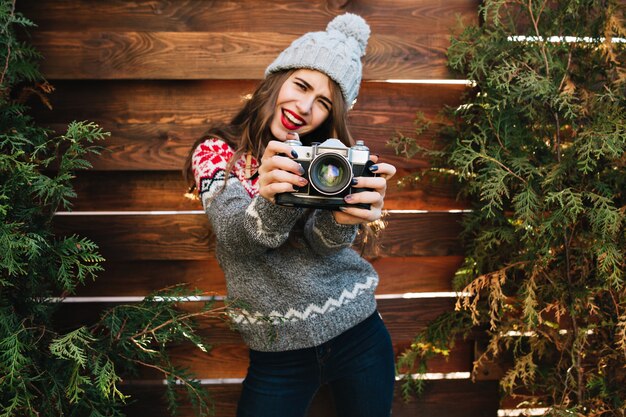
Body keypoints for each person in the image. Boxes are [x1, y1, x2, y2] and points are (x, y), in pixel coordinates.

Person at [183, 13, 397, 417]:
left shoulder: (326, 163)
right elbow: (235, 238)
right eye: (301, 85)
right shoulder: (216, 153)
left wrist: (345, 218)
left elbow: (323, 244)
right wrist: (274, 194)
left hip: (359, 334)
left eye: (323, 104)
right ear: (276, 79)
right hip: (276, 354)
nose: (304, 108)